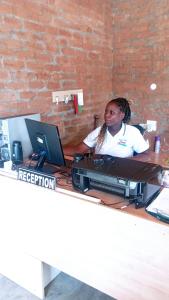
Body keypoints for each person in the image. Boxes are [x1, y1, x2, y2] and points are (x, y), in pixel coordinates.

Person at [64, 97, 149, 158]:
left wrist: (129, 162)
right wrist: (56, 151)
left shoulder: (132, 133)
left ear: (121, 115)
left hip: (122, 175)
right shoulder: (99, 131)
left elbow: (145, 155)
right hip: (100, 174)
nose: (106, 115)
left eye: (111, 113)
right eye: (106, 112)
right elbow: (79, 149)